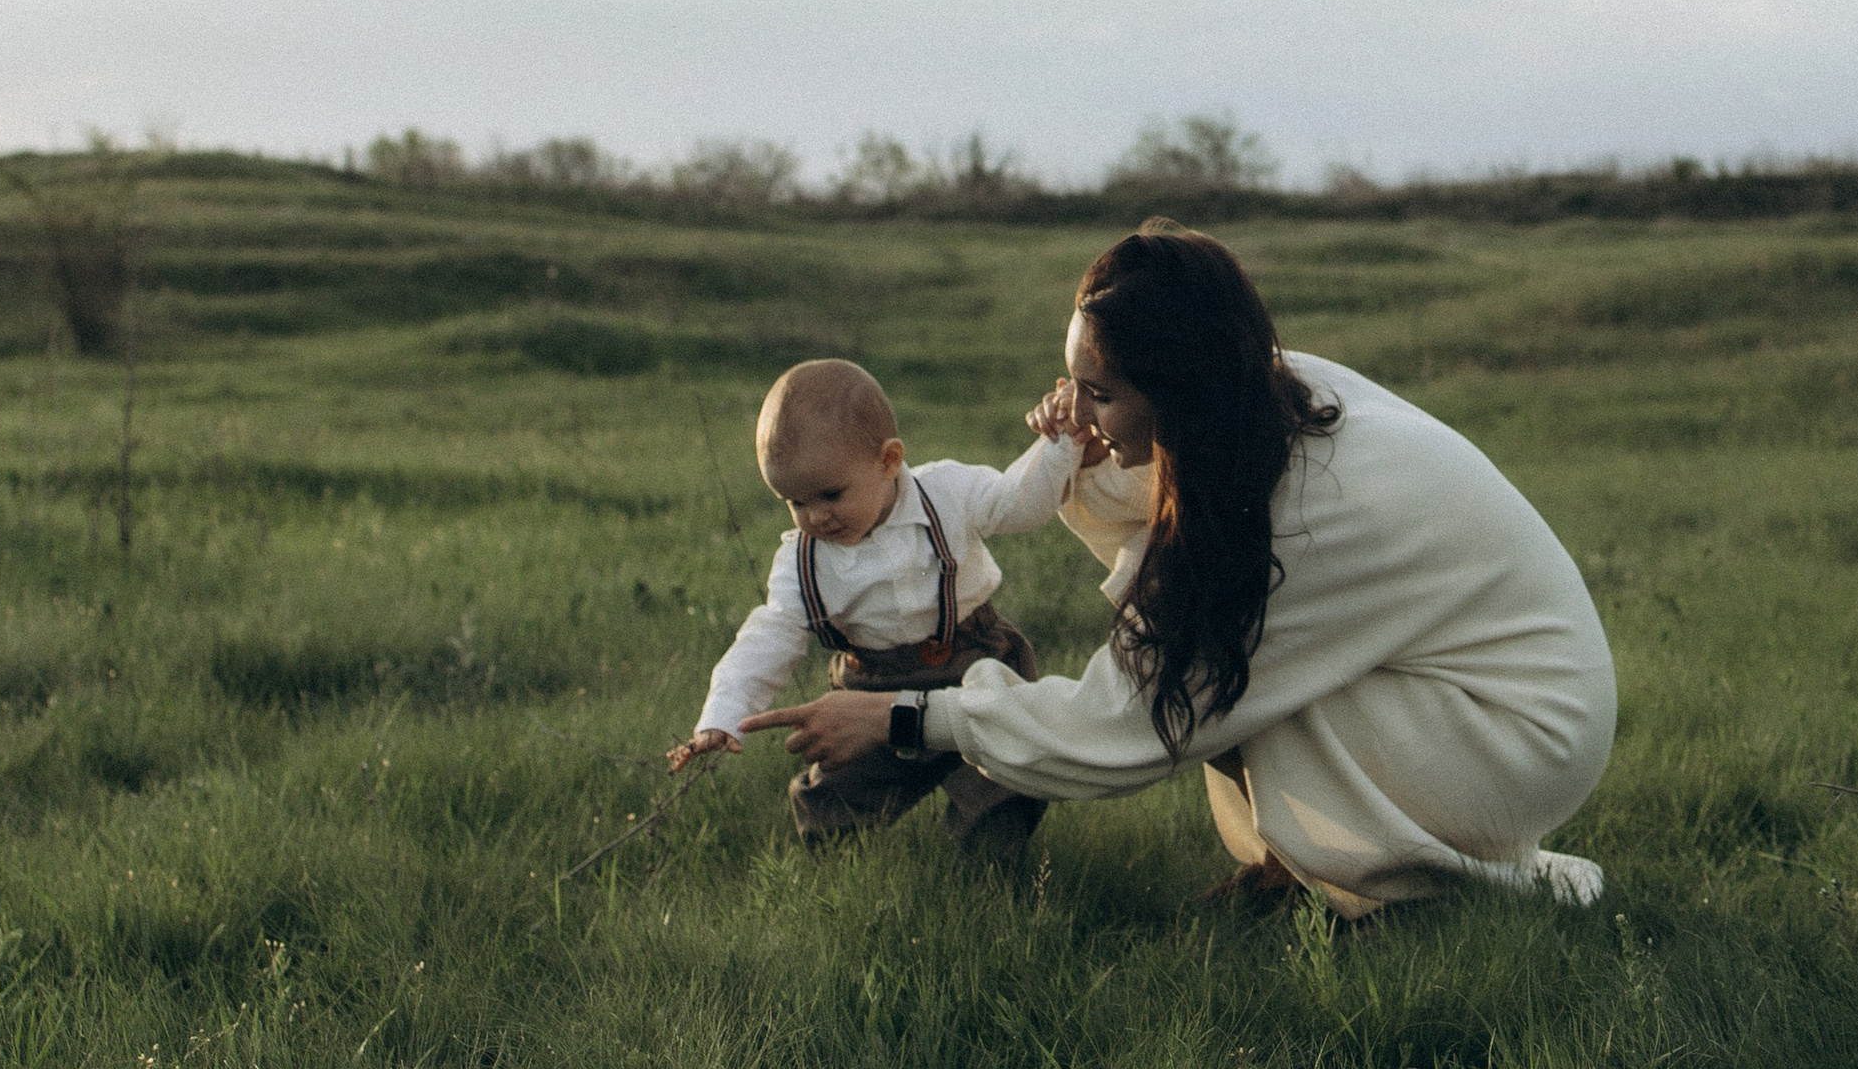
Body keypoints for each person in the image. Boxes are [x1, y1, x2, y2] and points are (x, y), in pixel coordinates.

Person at [745, 228, 1616, 918]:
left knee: (1221, 682)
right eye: (1072, 383)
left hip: (1523, 734)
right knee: (1224, 667)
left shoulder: (1305, 510)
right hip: (1470, 694)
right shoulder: (1266, 394)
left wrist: (901, 719)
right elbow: (1155, 529)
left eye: (1101, 392)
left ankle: (1378, 893)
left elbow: (1119, 724)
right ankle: (1301, 875)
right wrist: (1079, 456)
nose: (1073, 409)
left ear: (1175, 386)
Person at [670, 353, 1081, 855]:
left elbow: (1019, 501)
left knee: (1005, 783)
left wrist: (1062, 443)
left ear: (889, 460)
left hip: (975, 663)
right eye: (795, 502)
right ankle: (847, 881)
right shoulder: (801, 563)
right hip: (870, 691)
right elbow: (768, 637)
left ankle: (989, 875)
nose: (816, 517)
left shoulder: (947, 493)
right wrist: (723, 712)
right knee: (832, 807)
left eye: (830, 494)